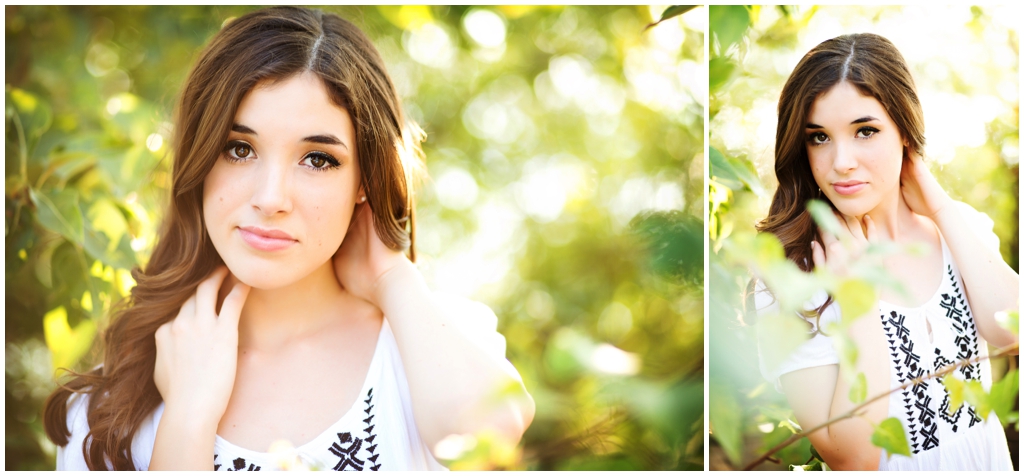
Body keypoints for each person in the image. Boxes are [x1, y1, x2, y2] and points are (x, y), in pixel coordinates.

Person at [43, 7, 535, 471]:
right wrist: (188, 417)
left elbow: (486, 446)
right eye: (239, 149)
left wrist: (392, 278)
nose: (271, 197)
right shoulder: (105, 413)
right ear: (199, 158)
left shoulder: (432, 342)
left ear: (364, 180)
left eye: (318, 159)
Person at [753, 33, 1018, 470]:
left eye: (866, 131)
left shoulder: (958, 230)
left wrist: (939, 206)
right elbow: (855, 457)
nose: (841, 161)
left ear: (905, 131)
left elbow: (1013, 331)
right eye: (819, 137)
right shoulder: (793, 278)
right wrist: (858, 300)